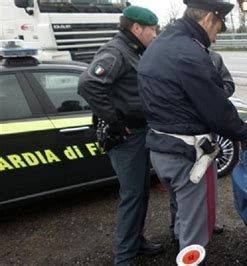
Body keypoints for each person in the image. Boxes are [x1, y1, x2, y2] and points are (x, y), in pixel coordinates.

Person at [137, 0, 247, 253]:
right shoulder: (189, 53)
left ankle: (180, 242)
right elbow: (216, 109)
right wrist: (245, 130)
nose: (214, 39)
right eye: (217, 30)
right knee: (196, 234)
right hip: (188, 156)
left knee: (183, 213)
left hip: (161, 148)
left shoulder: (161, 44)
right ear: (207, 20)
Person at [77, 6, 163, 265]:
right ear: (137, 29)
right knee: (133, 196)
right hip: (127, 137)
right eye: (152, 30)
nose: (155, 34)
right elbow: (87, 84)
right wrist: (114, 121)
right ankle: (124, 257)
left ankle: (137, 242)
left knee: (141, 192)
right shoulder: (116, 51)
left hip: (139, 132)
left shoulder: (134, 49)